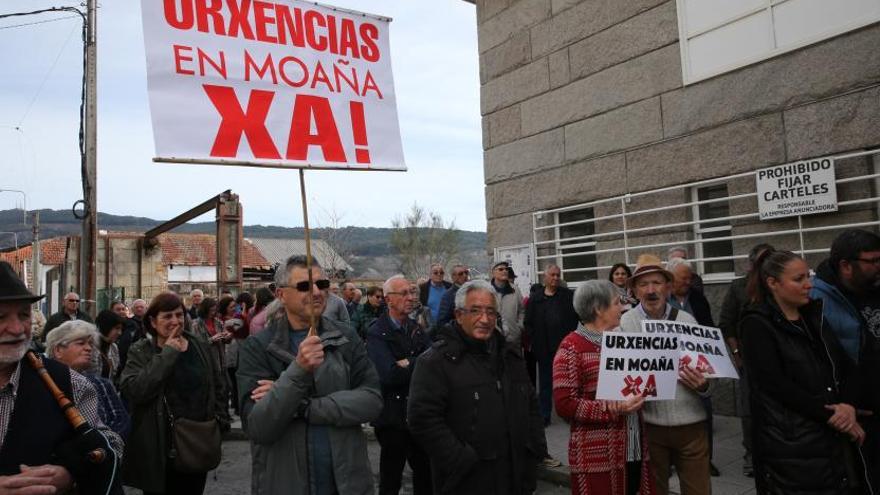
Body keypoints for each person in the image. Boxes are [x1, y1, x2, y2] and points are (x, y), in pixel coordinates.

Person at [237, 255, 382, 495]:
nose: (316, 292)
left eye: (322, 284)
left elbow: (372, 401)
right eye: (305, 286)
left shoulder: (345, 336)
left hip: (346, 483)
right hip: (286, 483)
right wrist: (298, 370)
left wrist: (304, 407)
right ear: (281, 295)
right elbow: (259, 426)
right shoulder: (258, 347)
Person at [740, 249, 871, 494]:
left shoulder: (814, 316)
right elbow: (775, 385)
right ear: (773, 283)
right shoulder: (756, 324)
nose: (808, 285)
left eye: (807, 276)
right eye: (798, 279)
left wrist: (848, 406)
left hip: (830, 439)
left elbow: (844, 365)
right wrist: (833, 416)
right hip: (790, 443)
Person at [408, 280, 546, 495]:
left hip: (516, 477)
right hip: (467, 480)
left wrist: (533, 451)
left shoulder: (510, 356)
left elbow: (531, 406)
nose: (485, 319)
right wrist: (460, 459)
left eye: (491, 312)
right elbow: (422, 419)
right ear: (459, 314)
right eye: (475, 311)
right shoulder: (435, 361)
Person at [0, 261, 123, 493]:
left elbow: (111, 444)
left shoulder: (69, 383)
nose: (17, 329)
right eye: (1, 317)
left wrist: (73, 473)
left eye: (24, 315)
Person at [619, 254, 713, 495]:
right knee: (654, 490)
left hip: (691, 426)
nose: (651, 290)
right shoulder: (626, 323)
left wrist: (704, 385)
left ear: (668, 287)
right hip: (650, 427)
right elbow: (620, 375)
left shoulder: (687, 320)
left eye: (657, 283)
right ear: (635, 291)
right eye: (643, 284)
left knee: (699, 489)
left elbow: (710, 374)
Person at [553, 280, 655, 495]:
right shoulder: (571, 347)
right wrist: (614, 409)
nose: (623, 307)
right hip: (597, 454)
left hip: (633, 446)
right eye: (617, 303)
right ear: (598, 309)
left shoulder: (624, 341)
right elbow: (564, 404)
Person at [119, 292, 227, 495]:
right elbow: (135, 390)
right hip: (160, 445)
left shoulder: (198, 345)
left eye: (179, 315)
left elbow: (217, 384)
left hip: (197, 440)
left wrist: (219, 421)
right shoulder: (141, 351)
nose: (175, 321)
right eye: (167, 316)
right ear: (153, 320)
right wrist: (167, 353)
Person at [809, 229, 880, 486]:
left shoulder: (874, 287)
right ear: (846, 266)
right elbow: (820, 362)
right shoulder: (817, 299)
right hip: (857, 417)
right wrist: (844, 401)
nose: (878, 266)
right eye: (872, 261)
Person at [366, 275, 433, 495]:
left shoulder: (415, 327)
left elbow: (432, 362)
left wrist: (409, 363)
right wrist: (418, 364)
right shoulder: (377, 332)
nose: (411, 297)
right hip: (392, 418)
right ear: (389, 299)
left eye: (411, 292)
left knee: (426, 475)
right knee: (391, 479)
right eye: (403, 293)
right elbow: (389, 375)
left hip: (417, 413)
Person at [717, 242, 773, 477]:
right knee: (749, 410)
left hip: (775, 359)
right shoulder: (739, 287)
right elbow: (726, 323)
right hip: (748, 361)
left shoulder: (775, 286)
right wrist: (737, 354)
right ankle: (751, 456)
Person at [666, 257, 720, 477]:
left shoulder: (697, 299)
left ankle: (706, 459)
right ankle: (671, 461)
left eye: (690, 277)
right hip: (670, 364)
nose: (688, 282)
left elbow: (709, 329)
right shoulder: (662, 300)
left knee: (704, 411)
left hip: (697, 365)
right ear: (671, 278)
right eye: (683, 278)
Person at [44, 320, 131, 439]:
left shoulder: (102, 384)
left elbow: (121, 421)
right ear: (58, 350)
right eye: (81, 343)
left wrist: (103, 445)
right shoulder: (43, 384)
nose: (89, 348)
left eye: (90, 343)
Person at [524, 264, 579, 427]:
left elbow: (577, 317)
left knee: (568, 383)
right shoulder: (535, 298)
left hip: (564, 348)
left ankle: (568, 413)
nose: (555, 278)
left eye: (557, 275)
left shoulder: (568, 296)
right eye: (552, 275)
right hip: (544, 349)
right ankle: (545, 414)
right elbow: (528, 323)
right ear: (545, 277)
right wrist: (535, 341)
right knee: (546, 384)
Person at [490, 261, 525, 348]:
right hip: (492, 339)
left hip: (513, 338)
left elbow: (522, 310)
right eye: (501, 269)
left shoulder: (515, 289)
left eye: (506, 269)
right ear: (493, 273)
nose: (505, 271)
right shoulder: (487, 290)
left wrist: (519, 327)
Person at [94, 309, 124, 380]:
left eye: (121, 329)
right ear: (106, 327)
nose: (120, 333)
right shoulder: (90, 346)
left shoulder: (114, 347)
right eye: (117, 328)